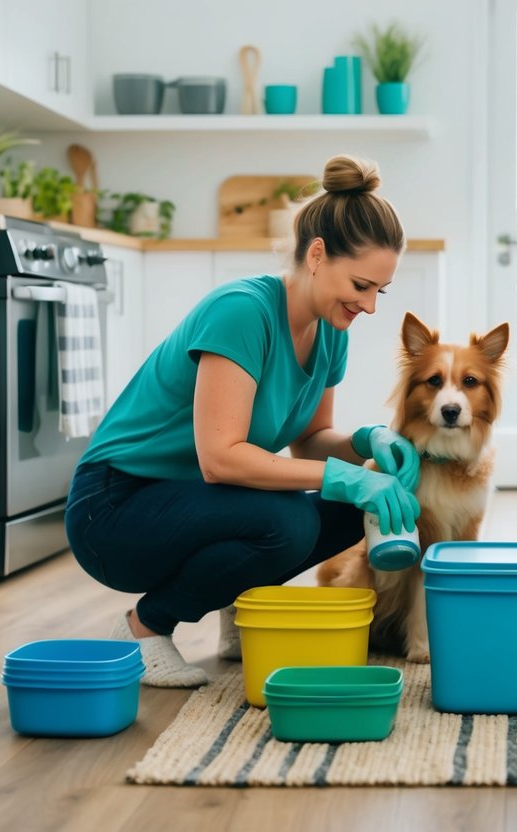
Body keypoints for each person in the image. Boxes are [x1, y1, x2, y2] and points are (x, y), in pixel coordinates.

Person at [65, 155, 421, 687]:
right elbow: (220, 458)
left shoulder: (331, 331)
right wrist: (346, 476)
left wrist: (368, 442)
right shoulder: (242, 311)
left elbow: (308, 443)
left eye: (379, 292)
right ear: (318, 255)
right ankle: (144, 629)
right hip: (114, 510)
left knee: (353, 512)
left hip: (190, 503)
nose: (369, 306)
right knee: (287, 523)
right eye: (362, 285)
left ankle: (239, 600)